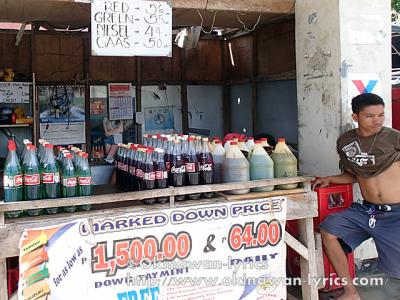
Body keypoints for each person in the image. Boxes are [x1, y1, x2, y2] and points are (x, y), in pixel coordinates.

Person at [313, 93, 400, 300]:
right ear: (355, 116)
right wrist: (331, 179)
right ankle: (350, 293)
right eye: (370, 116)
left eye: (381, 115)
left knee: (396, 274)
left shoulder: (394, 138)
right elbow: (353, 175)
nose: (377, 120)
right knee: (329, 230)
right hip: (367, 210)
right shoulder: (346, 142)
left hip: (396, 213)